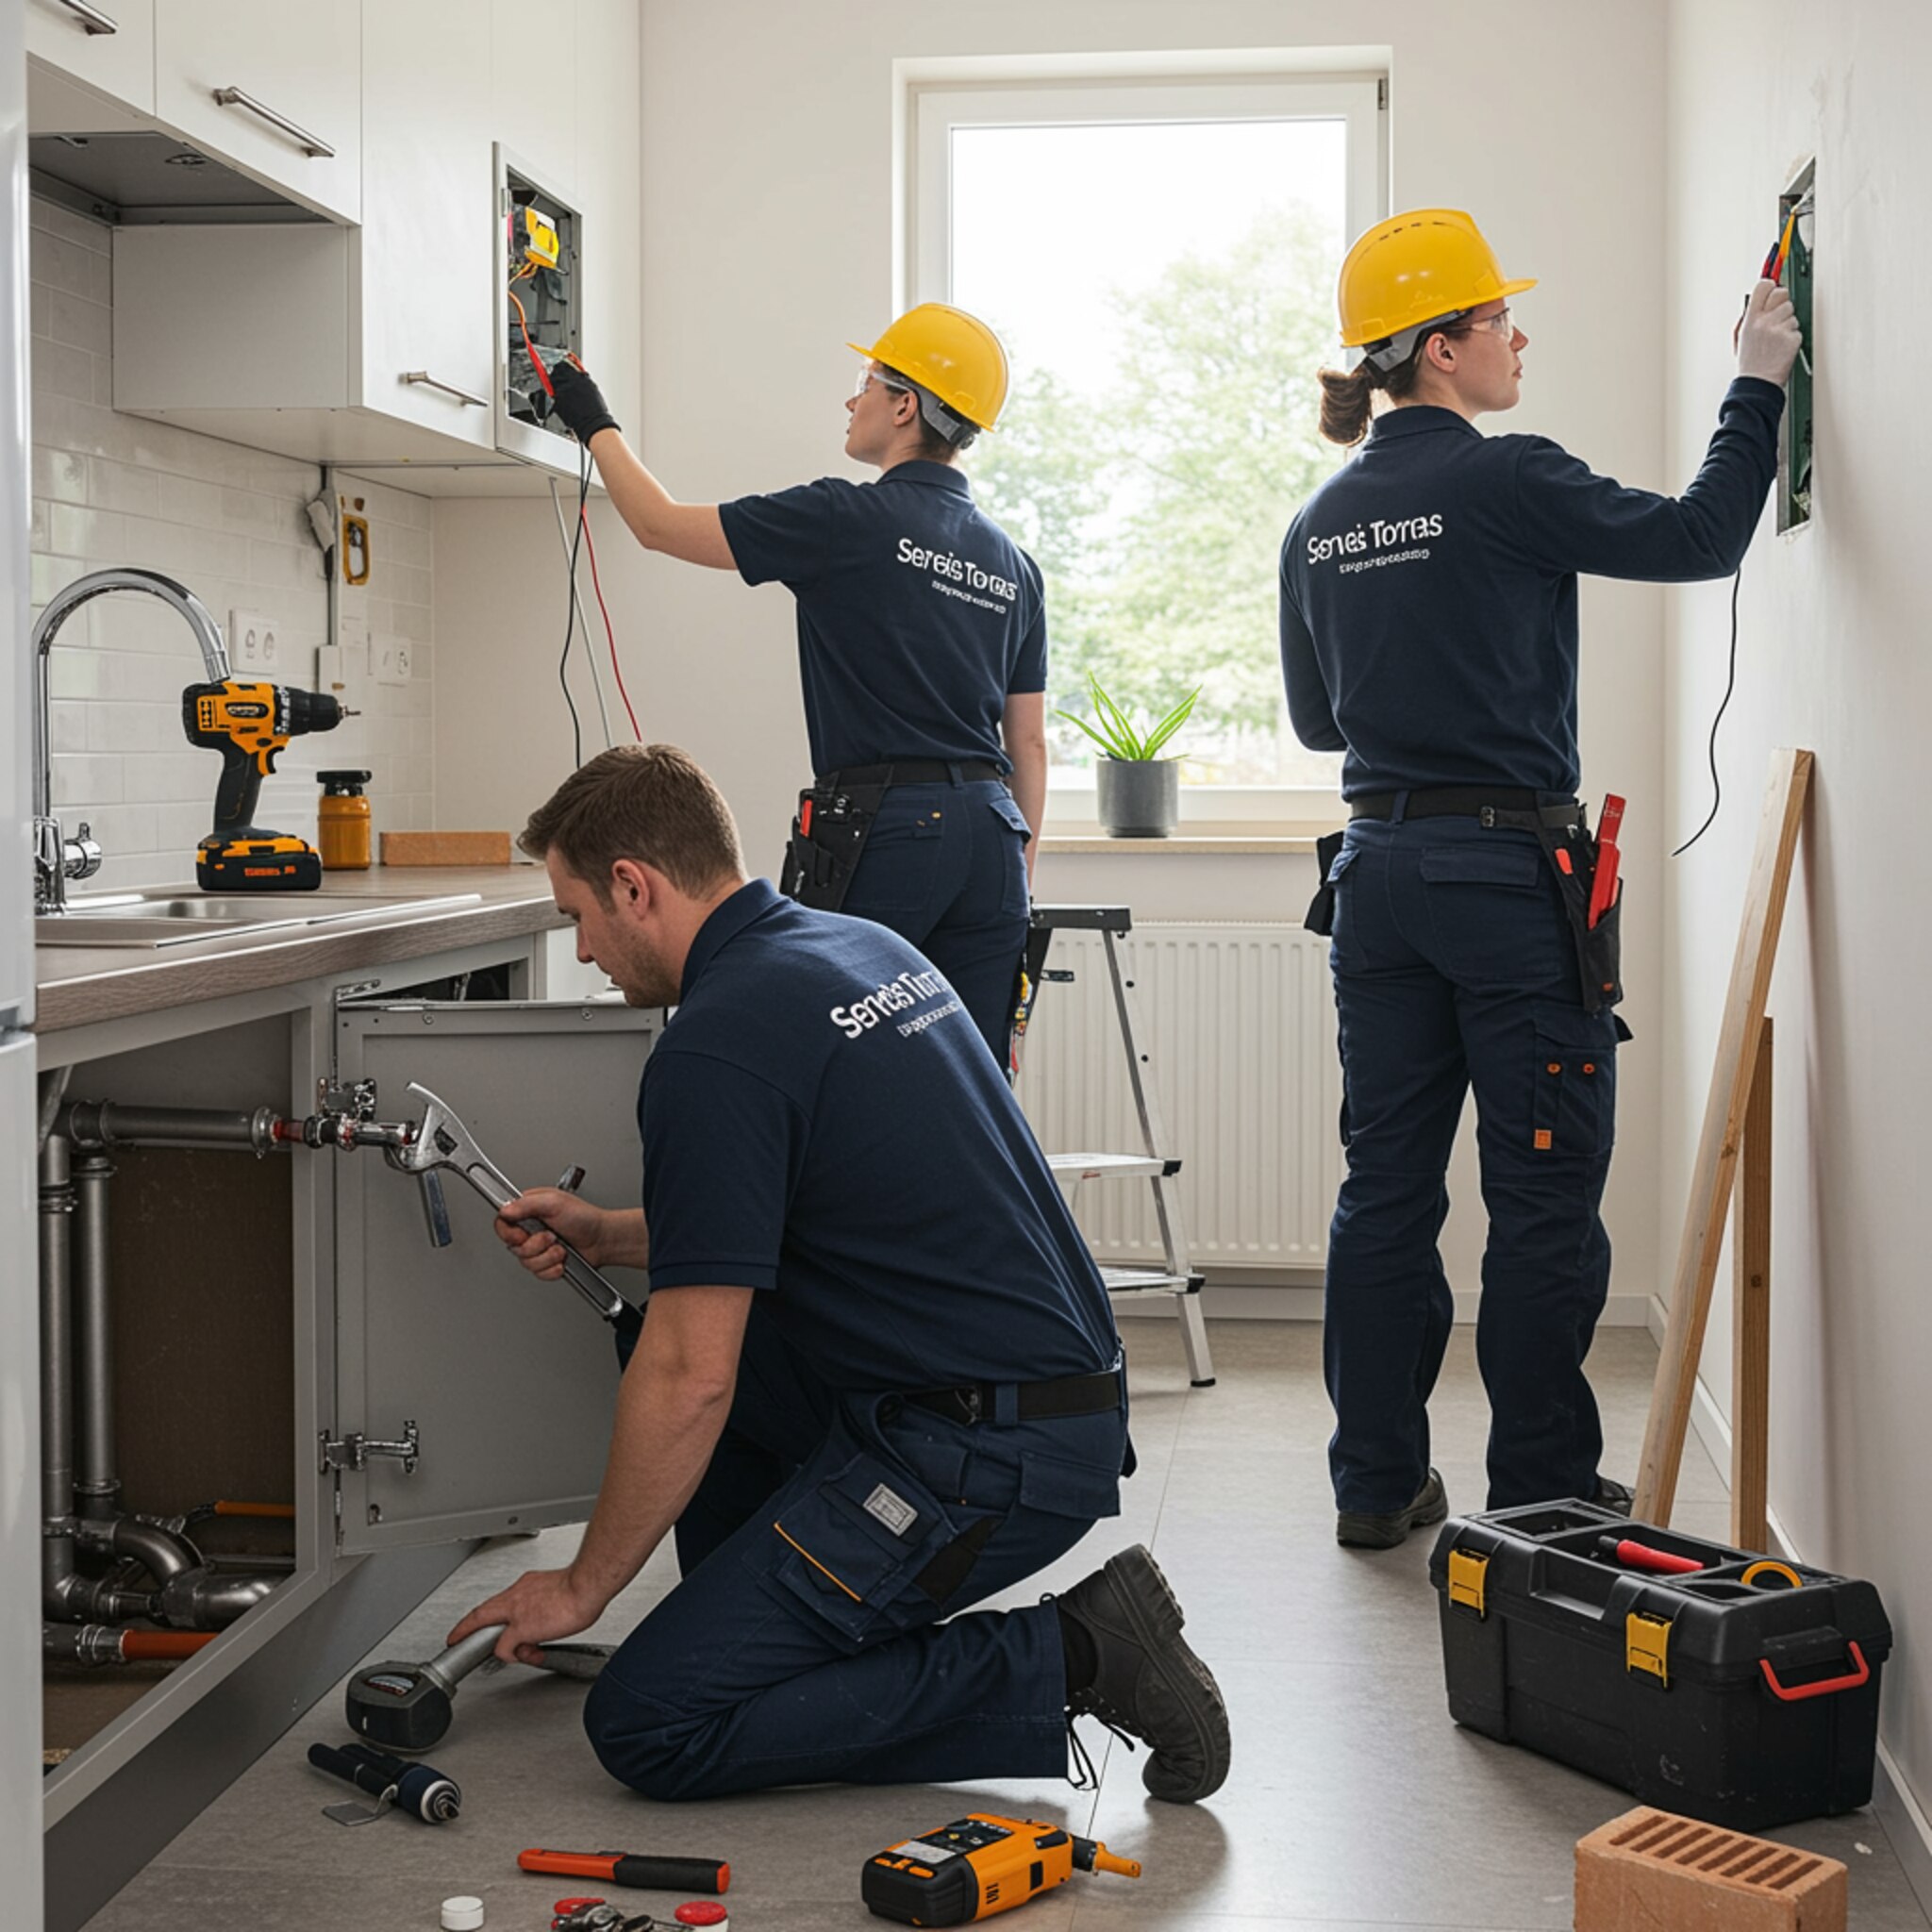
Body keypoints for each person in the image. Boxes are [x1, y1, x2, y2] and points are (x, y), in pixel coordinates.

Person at [445, 744, 1230, 1803]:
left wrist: (586, 1584)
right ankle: (774, 1617)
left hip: (979, 1449)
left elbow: (693, 1375)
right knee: (668, 1322)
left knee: (652, 1718)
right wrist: (610, 1231)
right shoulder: (851, 947)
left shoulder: (712, 1047)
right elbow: (816, 1211)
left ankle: (1080, 1651)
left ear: (635, 884)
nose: (583, 948)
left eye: (579, 913)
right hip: (1048, 1395)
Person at [1278, 208, 1803, 1548]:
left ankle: (1374, 1483)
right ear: (1444, 348)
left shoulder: (1320, 520)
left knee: (1384, 1190)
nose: (1522, 336)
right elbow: (1699, 538)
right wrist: (1757, 384)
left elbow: (1318, 727)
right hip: (1508, 879)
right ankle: (1543, 1501)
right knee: (1543, 1195)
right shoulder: (1506, 476)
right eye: (1501, 319)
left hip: (1378, 874)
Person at [541, 308, 1047, 1068]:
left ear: (906, 406)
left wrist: (591, 416)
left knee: (831, 1055)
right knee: (968, 1076)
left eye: (866, 383)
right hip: (995, 837)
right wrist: (1014, 877)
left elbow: (657, 524)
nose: (853, 401)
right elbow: (1030, 743)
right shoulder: (1015, 565)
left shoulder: (845, 516)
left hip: (893, 828)